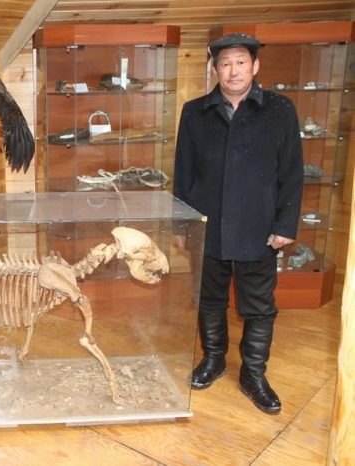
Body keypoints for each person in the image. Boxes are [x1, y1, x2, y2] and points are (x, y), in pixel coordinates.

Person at [173, 33, 303, 414]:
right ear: (215, 68)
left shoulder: (280, 109)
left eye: (241, 62)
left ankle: (253, 373)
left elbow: (292, 172)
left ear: (255, 66)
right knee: (208, 299)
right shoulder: (194, 112)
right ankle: (213, 359)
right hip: (208, 226)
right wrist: (183, 226)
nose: (233, 71)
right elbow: (184, 174)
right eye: (225, 63)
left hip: (259, 228)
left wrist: (285, 225)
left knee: (259, 306)